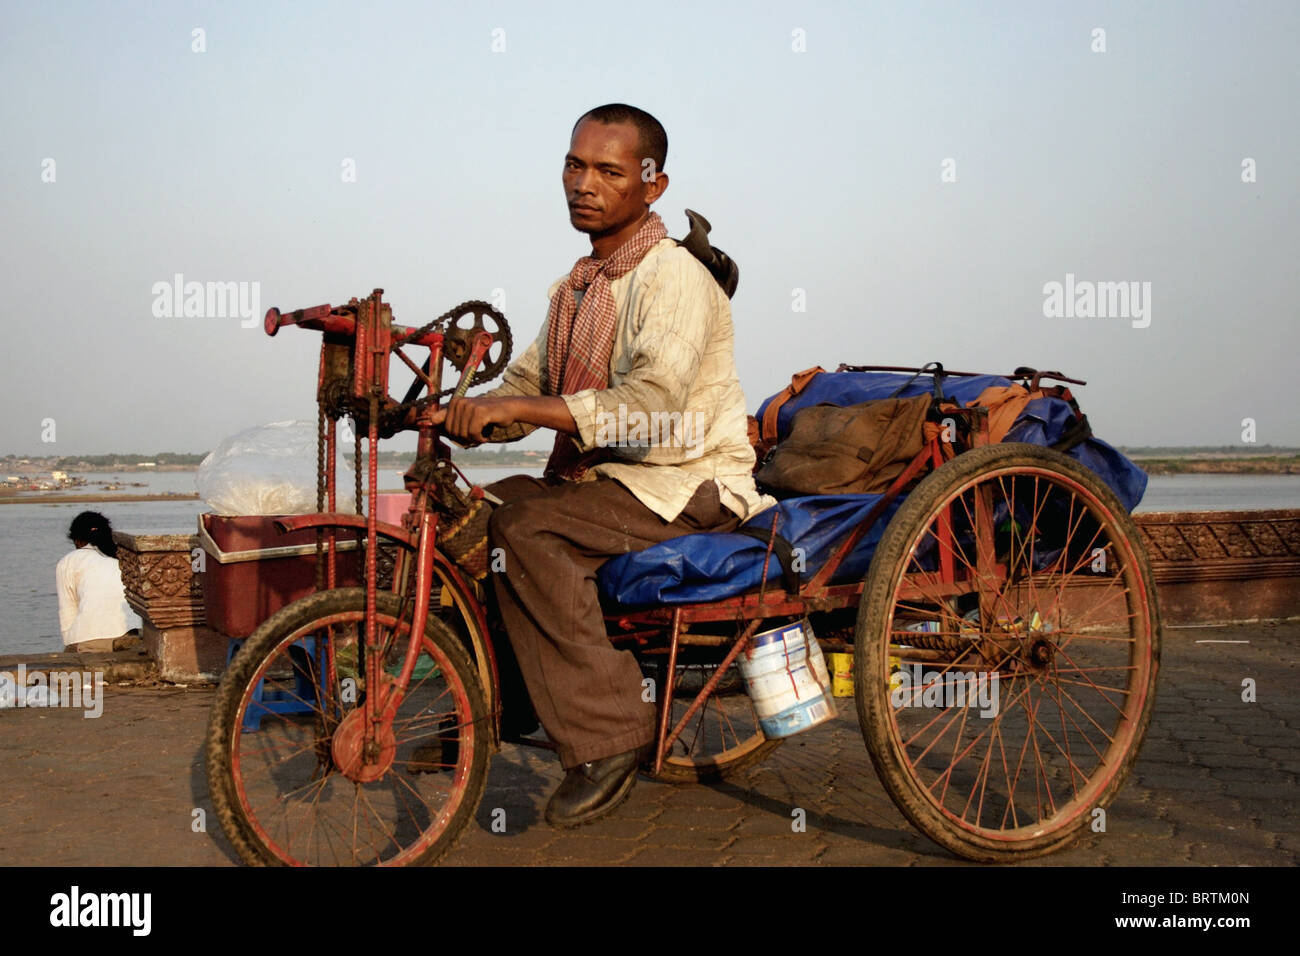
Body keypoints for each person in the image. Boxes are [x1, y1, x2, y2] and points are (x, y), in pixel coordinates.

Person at [432, 104, 774, 827]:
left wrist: (522, 413)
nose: (583, 184)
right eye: (574, 165)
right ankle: (510, 694)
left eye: (608, 171)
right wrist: (458, 412)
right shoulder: (578, 287)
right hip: (614, 482)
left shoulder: (672, 278)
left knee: (529, 532)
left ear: (653, 185)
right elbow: (530, 385)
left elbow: (650, 405)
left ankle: (613, 735)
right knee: (477, 517)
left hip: (687, 484)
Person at [55, 511, 142, 653]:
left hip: (90, 640)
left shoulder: (68, 561)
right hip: (133, 633)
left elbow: (67, 612)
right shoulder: (125, 557)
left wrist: (70, 647)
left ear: (78, 541)